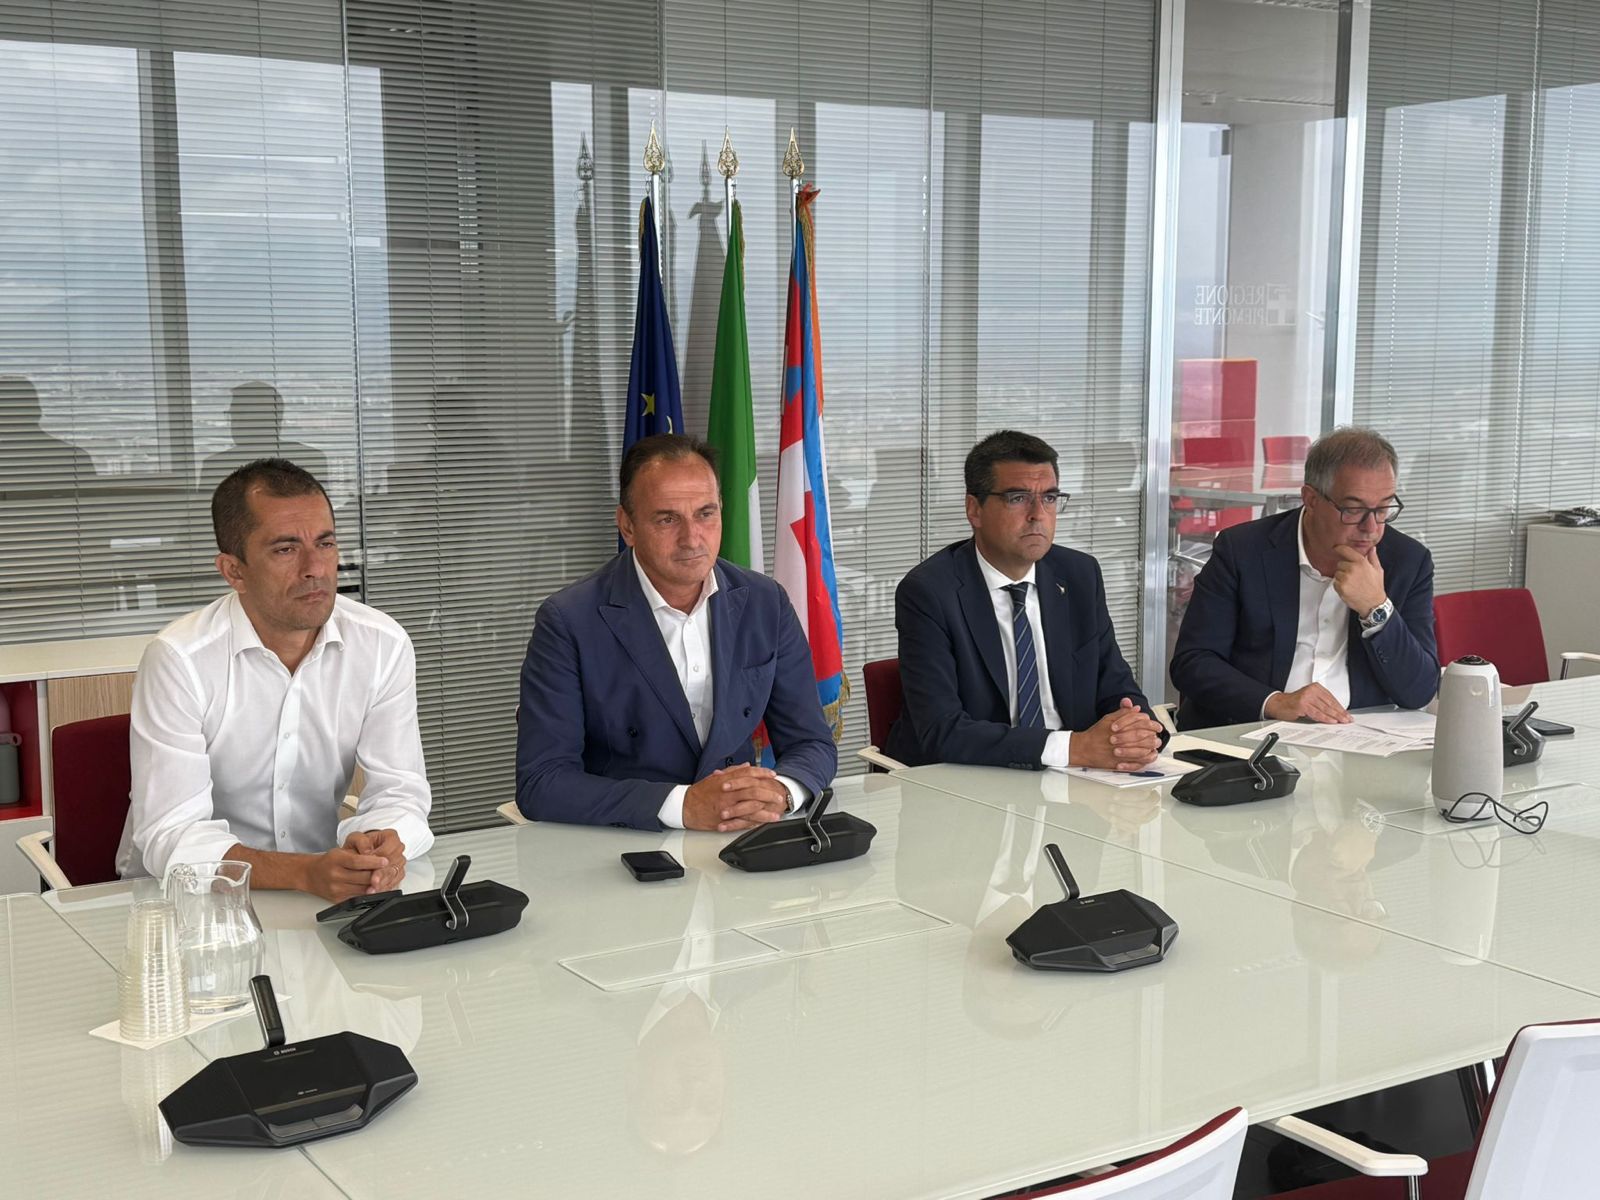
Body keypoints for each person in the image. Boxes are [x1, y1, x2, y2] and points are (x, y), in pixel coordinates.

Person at [117, 458, 434, 900]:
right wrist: (304, 872)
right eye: (285, 549)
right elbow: (171, 835)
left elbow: (401, 791)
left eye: (325, 543)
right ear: (234, 571)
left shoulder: (382, 643)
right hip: (187, 901)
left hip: (320, 892)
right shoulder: (180, 659)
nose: (315, 568)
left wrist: (379, 845)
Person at [515, 434, 836, 830]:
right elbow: (542, 782)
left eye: (705, 513)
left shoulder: (765, 601)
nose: (692, 538)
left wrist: (782, 792)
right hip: (625, 841)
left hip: (740, 835)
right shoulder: (568, 620)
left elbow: (812, 743)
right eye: (667, 519)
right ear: (627, 526)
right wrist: (684, 805)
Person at [884, 430, 1163, 771]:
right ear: (974, 509)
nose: (1038, 514)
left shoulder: (1078, 575)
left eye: (1049, 498)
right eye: (1018, 498)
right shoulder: (929, 592)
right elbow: (942, 730)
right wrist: (1072, 748)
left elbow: (1116, 686)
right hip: (970, 780)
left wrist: (1137, 731)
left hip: (1074, 778)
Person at [1169, 426, 1438, 730]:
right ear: (1310, 499)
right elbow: (1193, 662)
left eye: (1383, 508)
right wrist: (1275, 702)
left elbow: (1419, 691)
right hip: (1254, 734)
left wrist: (1376, 609)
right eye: (1353, 509)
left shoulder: (1407, 561)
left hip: (1359, 734)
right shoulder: (1242, 550)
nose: (1371, 528)